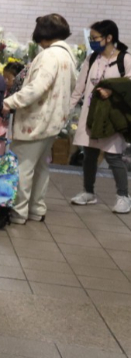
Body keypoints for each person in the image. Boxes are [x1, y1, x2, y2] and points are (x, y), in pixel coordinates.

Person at [2, 14, 79, 224]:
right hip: (53, 121)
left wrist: (10, 102)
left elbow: (37, 87)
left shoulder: (49, 55)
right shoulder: (68, 55)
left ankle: (18, 212)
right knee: (41, 168)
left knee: (23, 167)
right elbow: (72, 86)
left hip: (35, 121)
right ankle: (36, 208)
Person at [69, 20, 130, 214]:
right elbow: (80, 87)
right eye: (91, 38)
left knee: (113, 156)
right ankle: (88, 192)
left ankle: (123, 196)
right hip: (91, 114)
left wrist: (112, 91)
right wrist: (67, 110)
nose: (92, 41)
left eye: (95, 38)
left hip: (112, 117)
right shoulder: (92, 58)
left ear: (109, 38)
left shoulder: (125, 59)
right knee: (89, 155)